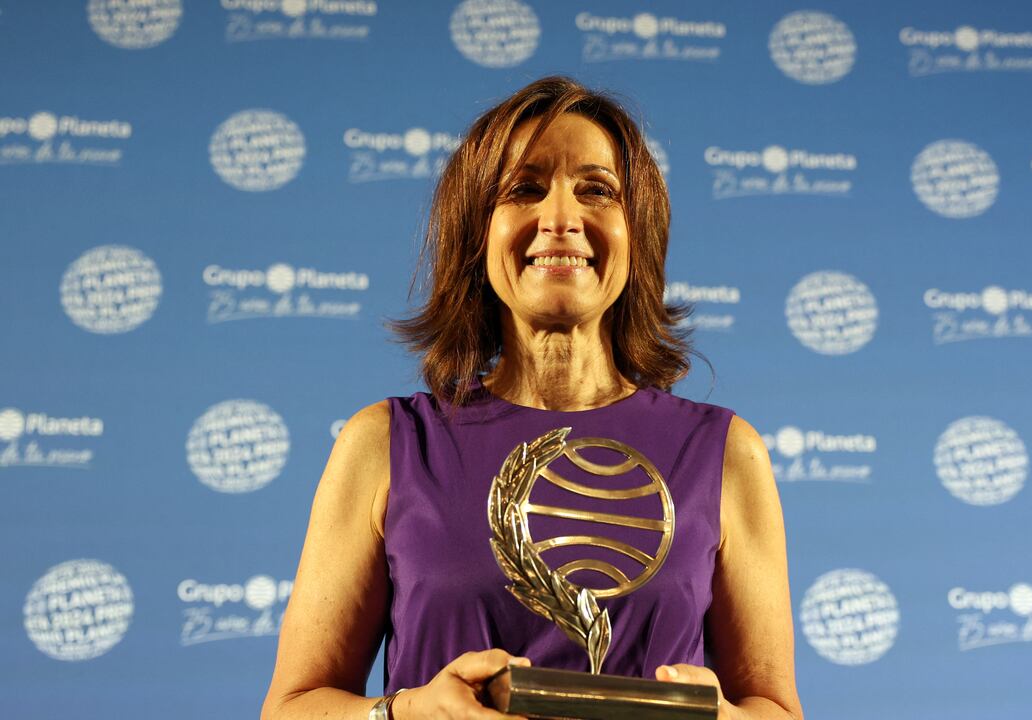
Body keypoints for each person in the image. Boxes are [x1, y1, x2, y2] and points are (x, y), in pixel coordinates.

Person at [261, 76, 803, 720]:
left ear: (639, 234)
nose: (561, 219)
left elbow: (775, 709)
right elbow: (291, 708)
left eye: (597, 190)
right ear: (476, 233)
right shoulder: (385, 442)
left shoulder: (725, 451)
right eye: (524, 188)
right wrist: (403, 714)